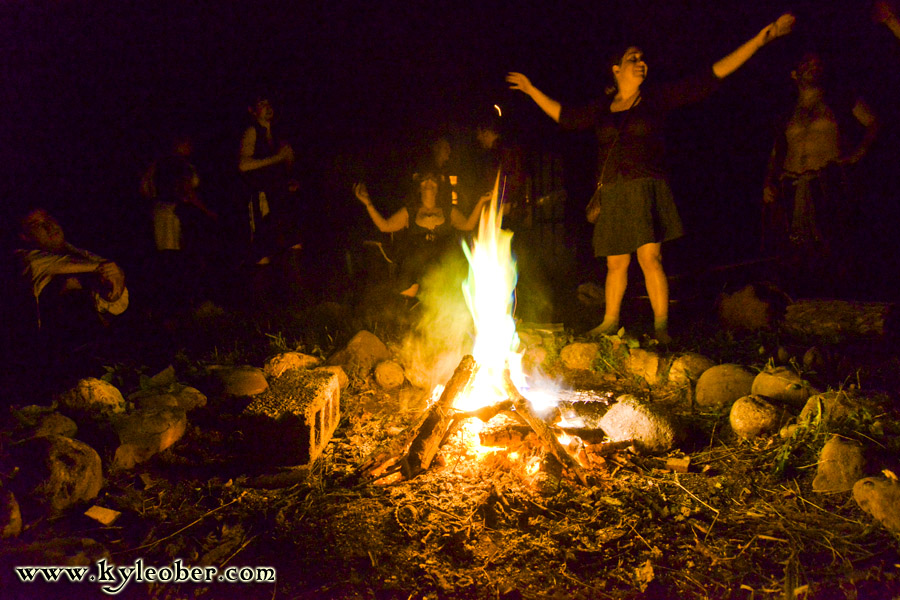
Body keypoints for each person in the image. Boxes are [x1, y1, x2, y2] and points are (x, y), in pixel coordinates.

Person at [507, 13, 796, 343]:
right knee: (616, 264)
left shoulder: (657, 98)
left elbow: (712, 75)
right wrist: (531, 90)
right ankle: (609, 321)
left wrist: (760, 39)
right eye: (633, 58)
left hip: (647, 189)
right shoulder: (603, 108)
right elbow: (566, 116)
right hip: (613, 193)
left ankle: (661, 326)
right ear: (616, 70)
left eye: (643, 58)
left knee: (650, 259)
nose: (641, 62)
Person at [761, 51, 879, 295]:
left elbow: (874, 123)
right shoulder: (786, 112)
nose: (813, 67)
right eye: (806, 64)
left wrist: (859, 153)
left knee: (834, 245)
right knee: (795, 249)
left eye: (817, 64)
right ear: (794, 74)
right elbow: (777, 151)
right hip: (791, 183)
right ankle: (802, 300)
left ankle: (840, 299)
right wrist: (768, 183)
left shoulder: (840, 98)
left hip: (827, 182)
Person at [353, 172, 490, 298]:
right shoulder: (410, 212)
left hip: (442, 267)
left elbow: (468, 225)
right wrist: (368, 204)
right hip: (415, 268)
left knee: (455, 281)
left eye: (433, 179)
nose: (429, 181)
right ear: (419, 188)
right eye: (425, 179)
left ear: (438, 188)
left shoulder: (449, 211)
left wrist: (481, 201)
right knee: (409, 298)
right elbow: (385, 226)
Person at [14, 208, 128, 348]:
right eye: (36, 224)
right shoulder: (24, 260)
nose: (49, 226)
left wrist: (113, 288)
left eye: (48, 218)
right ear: (25, 237)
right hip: (58, 352)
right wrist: (107, 270)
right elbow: (54, 266)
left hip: (101, 343)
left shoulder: (78, 252)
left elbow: (115, 286)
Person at [238, 95, 302, 266]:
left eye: (268, 103)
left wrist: (289, 179)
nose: (267, 107)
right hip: (261, 198)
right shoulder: (252, 131)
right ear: (252, 111)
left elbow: (284, 161)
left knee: (292, 244)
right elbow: (243, 165)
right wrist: (277, 158)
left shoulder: (275, 131)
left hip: (278, 197)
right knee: (263, 252)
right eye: (261, 104)